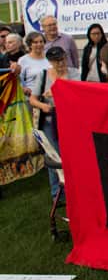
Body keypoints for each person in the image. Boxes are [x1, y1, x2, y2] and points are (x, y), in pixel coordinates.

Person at [29, 46, 79, 202]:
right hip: (50, 119)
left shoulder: (75, 74)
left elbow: (79, 94)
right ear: (50, 62)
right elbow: (33, 99)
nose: (60, 64)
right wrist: (43, 106)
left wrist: (57, 92)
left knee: (73, 154)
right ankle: (58, 193)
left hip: (70, 118)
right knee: (55, 155)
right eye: (56, 61)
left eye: (62, 59)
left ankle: (75, 188)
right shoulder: (43, 75)